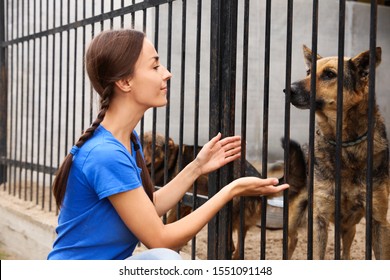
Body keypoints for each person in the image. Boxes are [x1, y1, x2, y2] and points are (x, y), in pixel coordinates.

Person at [47, 29, 289, 260]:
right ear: (125, 82)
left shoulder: (127, 142)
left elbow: (148, 207)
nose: (167, 73)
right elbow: (161, 240)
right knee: (164, 258)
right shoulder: (106, 154)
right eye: (154, 66)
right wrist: (231, 190)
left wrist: (197, 166)